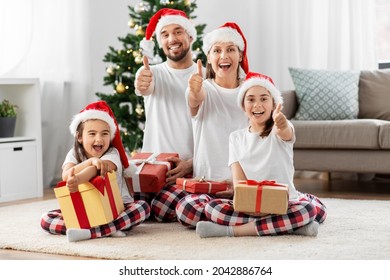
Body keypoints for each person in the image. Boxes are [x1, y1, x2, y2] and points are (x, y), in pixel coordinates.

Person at [195, 72, 328, 238]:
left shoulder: (279, 130)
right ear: (243, 106)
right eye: (251, 99)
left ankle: (232, 231)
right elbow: (239, 183)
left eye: (264, 99)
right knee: (211, 209)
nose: (257, 105)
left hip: (285, 203)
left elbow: (285, 131)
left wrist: (281, 123)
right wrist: (250, 206)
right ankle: (292, 227)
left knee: (310, 210)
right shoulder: (236, 138)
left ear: (273, 104)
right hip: (251, 206)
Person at [40, 101, 150, 242]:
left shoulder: (112, 153)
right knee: (46, 219)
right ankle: (110, 229)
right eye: (92, 134)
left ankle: (90, 232)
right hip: (86, 209)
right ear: (79, 137)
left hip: (116, 209)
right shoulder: (74, 153)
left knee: (142, 208)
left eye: (105, 134)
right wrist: (89, 161)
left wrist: (79, 178)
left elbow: (97, 170)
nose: (99, 139)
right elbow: (66, 175)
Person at [175, 22, 250, 227]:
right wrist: (194, 89)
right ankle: (252, 220)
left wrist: (241, 185)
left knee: (301, 203)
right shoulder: (203, 88)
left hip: (244, 185)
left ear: (240, 56)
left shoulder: (251, 92)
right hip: (207, 187)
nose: (223, 56)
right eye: (217, 50)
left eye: (230, 50)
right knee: (186, 209)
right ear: (209, 57)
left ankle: (229, 221)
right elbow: (195, 99)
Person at [134, 8, 202, 222]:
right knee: (117, 199)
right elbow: (144, 86)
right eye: (165, 34)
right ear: (160, 41)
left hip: (188, 169)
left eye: (178, 32)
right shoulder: (151, 73)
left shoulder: (206, 76)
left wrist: (192, 163)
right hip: (151, 167)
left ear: (190, 36)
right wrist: (141, 83)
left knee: (161, 209)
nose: (172, 39)